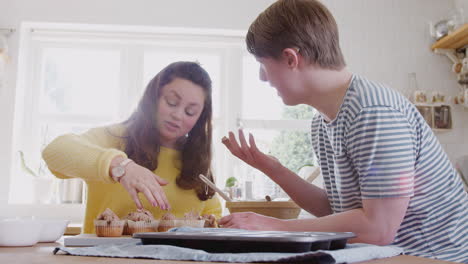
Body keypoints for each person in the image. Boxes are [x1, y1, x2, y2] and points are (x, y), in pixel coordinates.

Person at [218, 0, 468, 262]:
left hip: (438, 258)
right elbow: (337, 211)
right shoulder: (322, 123)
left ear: (291, 58)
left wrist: (277, 227)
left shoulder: (374, 112)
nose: (262, 77)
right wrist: (273, 168)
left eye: (263, 64)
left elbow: (378, 229)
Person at [42, 61, 222, 234]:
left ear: (200, 118)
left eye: (190, 111)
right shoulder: (115, 138)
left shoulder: (197, 160)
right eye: (171, 102)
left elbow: (213, 218)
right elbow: (54, 151)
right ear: (154, 98)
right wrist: (121, 166)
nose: (178, 115)